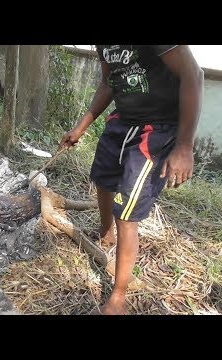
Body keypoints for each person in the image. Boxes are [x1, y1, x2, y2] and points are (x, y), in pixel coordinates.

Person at [59, 45, 204, 315]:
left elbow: (193, 75)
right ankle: (106, 235)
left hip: (156, 128)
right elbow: (108, 82)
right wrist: (80, 128)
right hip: (123, 120)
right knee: (101, 177)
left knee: (126, 210)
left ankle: (118, 297)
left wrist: (184, 146)